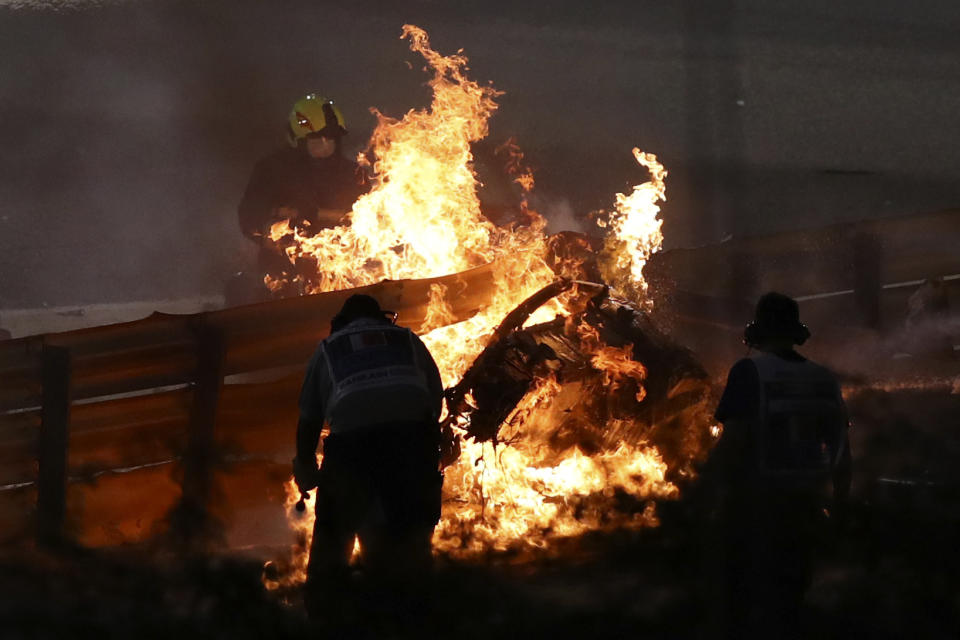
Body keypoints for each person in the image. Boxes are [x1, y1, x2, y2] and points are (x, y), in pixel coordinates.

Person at [705, 291, 851, 639]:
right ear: (796, 332)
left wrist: (702, 490)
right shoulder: (824, 379)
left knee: (740, 606)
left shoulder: (749, 371)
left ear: (755, 334)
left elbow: (734, 441)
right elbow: (842, 453)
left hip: (756, 512)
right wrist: (841, 509)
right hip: (807, 509)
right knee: (790, 604)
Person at [293, 294, 445, 601]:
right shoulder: (407, 339)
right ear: (383, 318)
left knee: (335, 533)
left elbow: (309, 418)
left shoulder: (328, 349)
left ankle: (323, 607)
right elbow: (434, 401)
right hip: (411, 443)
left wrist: (306, 465)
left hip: (351, 447)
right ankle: (418, 605)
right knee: (411, 535)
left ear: (340, 324)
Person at [235, 93, 368, 299]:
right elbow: (249, 215)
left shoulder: (353, 174)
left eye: (330, 140)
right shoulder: (271, 170)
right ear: (298, 142)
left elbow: (371, 219)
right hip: (283, 275)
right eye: (316, 141)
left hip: (343, 271)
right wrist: (273, 229)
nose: (324, 147)